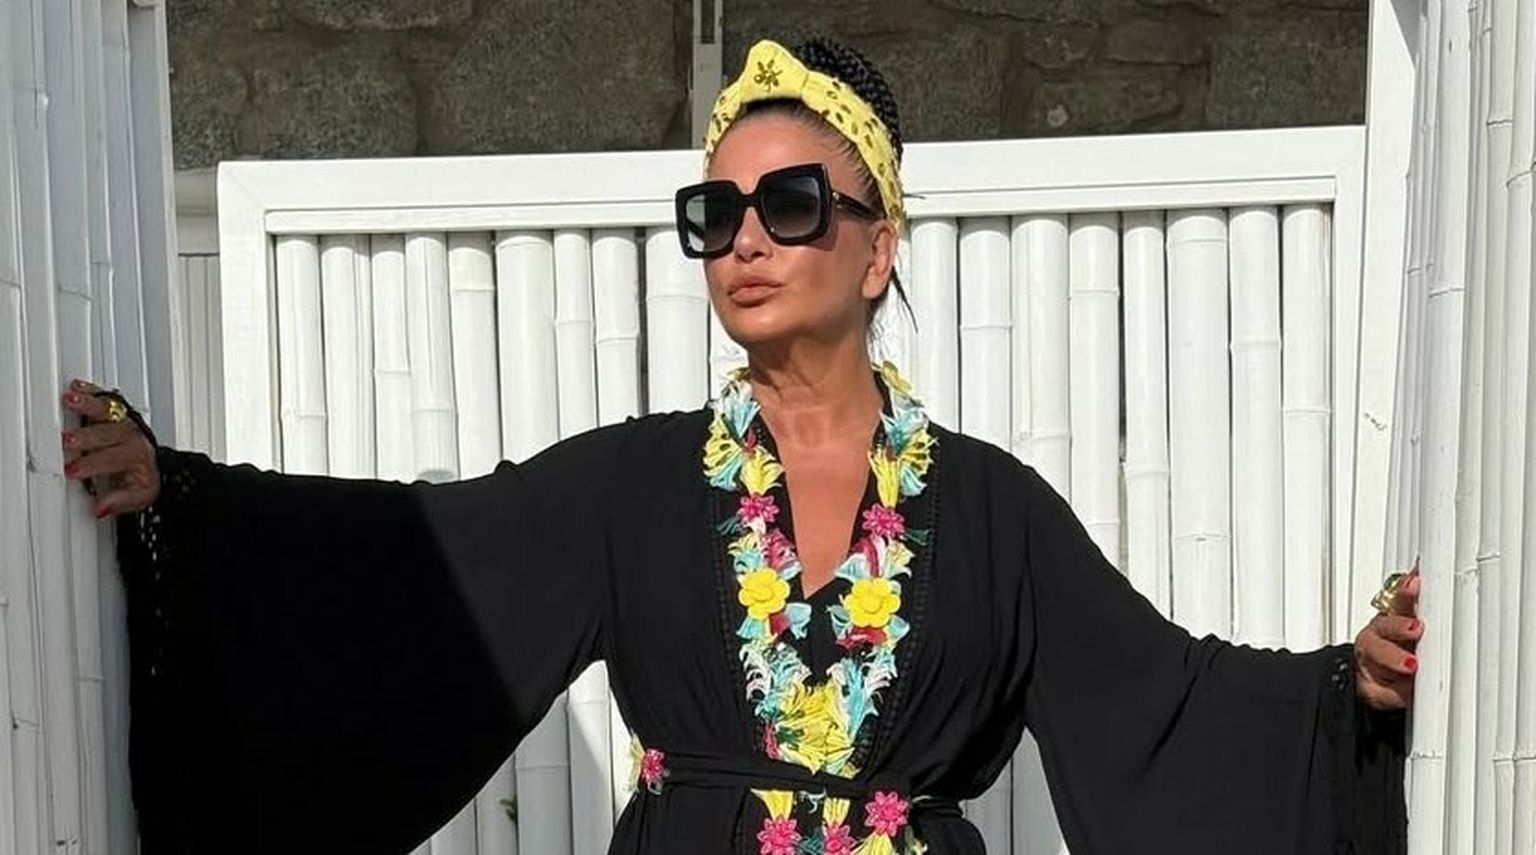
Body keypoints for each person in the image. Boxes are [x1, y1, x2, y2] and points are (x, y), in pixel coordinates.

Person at [63, 37, 1416, 855]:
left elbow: (1161, 700)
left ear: (879, 248)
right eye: (717, 214)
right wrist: (186, 500)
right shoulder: (635, 487)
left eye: (792, 202)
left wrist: (1344, 690)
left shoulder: (996, 514)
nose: (748, 238)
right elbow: (415, 564)